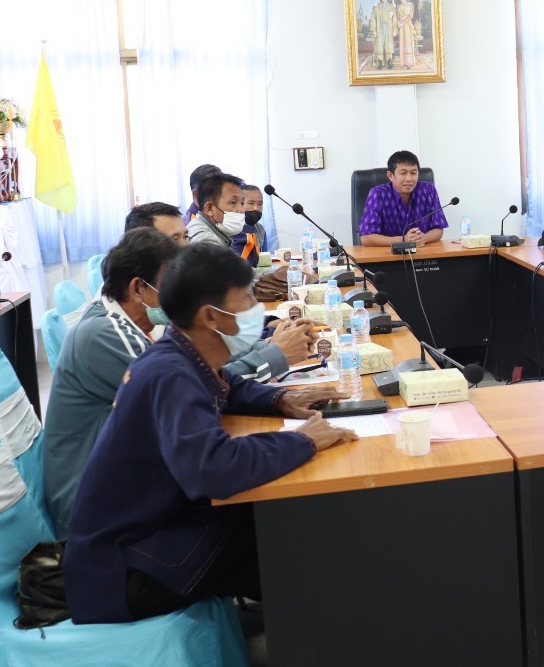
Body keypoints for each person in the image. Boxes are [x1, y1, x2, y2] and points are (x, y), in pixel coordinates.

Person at [64, 245, 356, 624]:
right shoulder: (169, 373)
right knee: (287, 530)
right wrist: (303, 439)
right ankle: (315, 632)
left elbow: (229, 384)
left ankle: (302, 622)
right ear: (210, 316)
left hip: (146, 536)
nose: (255, 308)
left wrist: (280, 399)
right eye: (246, 298)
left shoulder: (181, 353)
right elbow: (214, 468)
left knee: (281, 521)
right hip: (122, 571)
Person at [42, 229, 317, 537]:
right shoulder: (106, 334)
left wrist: (277, 396)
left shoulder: (141, 323)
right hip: (104, 514)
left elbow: (206, 372)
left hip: (138, 485)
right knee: (269, 523)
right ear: (138, 288)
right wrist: (303, 437)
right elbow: (196, 392)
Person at [359, 151, 447, 246]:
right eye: (403, 173)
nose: (409, 179)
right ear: (390, 175)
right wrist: (403, 240)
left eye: (413, 173)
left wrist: (424, 238)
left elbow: (438, 228)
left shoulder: (428, 190)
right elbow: (366, 238)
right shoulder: (378, 194)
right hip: (388, 253)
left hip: (422, 252)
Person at [186, 172, 245, 248]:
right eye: (233, 202)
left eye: (242, 203)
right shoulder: (206, 241)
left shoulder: (215, 232)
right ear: (209, 208)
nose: (241, 210)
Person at [231, 184, 275, 262]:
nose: (256, 208)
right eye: (251, 203)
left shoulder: (260, 229)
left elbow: (264, 257)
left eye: (260, 204)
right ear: (240, 203)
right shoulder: (231, 229)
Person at [368, 0, 396, 70]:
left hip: (388, 29)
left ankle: (389, 62)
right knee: (379, 45)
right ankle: (380, 62)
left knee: (388, 45)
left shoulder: (391, 7)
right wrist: (373, 30)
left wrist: (394, 30)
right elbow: (373, 18)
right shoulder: (376, 7)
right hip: (379, 28)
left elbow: (394, 19)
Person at [396, 0, 417, 69]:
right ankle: (404, 63)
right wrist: (398, 23)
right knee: (402, 43)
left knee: (408, 42)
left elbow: (411, 16)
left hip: (407, 25)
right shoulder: (398, 6)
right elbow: (397, 16)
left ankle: (409, 63)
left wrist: (403, 23)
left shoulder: (410, 4)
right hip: (401, 27)